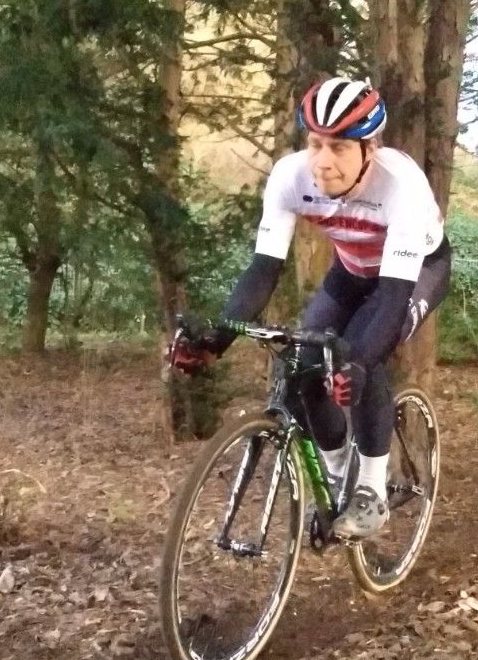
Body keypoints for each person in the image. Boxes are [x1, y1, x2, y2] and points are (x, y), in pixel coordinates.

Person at [170, 77, 451, 539]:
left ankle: (372, 490)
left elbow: (392, 297)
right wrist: (218, 339)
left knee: (360, 356)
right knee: (305, 367)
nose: (323, 161)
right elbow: (264, 269)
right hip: (352, 270)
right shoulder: (291, 176)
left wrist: (357, 364)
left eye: (339, 147)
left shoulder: (400, 185)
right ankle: (339, 475)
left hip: (415, 272)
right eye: (316, 144)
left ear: (370, 148)